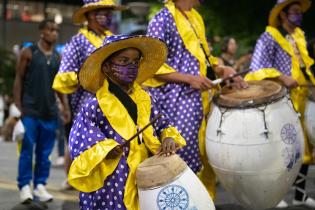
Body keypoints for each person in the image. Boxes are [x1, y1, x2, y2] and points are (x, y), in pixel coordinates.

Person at [67, 35, 186, 210]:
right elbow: (81, 141)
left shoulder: (146, 99)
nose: (132, 66)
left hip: (146, 175)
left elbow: (164, 125)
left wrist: (168, 138)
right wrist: (106, 149)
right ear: (106, 67)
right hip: (113, 180)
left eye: (136, 61)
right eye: (124, 60)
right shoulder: (94, 106)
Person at [143, 0, 247, 198]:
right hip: (176, 101)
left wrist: (222, 68)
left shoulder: (195, 17)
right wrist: (190, 79)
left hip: (201, 98)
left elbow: (204, 58)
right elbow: (152, 64)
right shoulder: (161, 19)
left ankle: (204, 202)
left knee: (204, 155)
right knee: (182, 156)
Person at [245, 0, 315, 208]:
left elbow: (305, 67)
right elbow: (256, 69)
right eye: (294, 12)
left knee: (302, 149)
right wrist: (282, 77)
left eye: (300, 12)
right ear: (283, 15)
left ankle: (300, 195)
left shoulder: (299, 36)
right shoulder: (269, 38)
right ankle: (273, 196)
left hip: (302, 98)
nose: (299, 15)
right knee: (280, 149)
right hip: (281, 101)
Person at [52, 0, 125, 189]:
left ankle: (105, 179)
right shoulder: (78, 41)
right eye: (105, 12)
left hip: (114, 100)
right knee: (84, 139)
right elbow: (64, 76)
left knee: (111, 140)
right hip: (87, 100)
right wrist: (89, 76)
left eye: (110, 12)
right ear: (92, 15)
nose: (109, 16)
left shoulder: (114, 39)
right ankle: (75, 178)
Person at [13, 19, 70, 203]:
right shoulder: (28, 53)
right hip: (30, 111)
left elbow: (59, 86)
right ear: (42, 32)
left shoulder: (57, 57)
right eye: (50, 29)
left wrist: (65, 108)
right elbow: (18, 80)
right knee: (27, 151)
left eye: (56, 30)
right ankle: (24, 186)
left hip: (50, 113)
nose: (54, 33)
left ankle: (39, 185)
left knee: (45, 154)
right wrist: (18, 107)